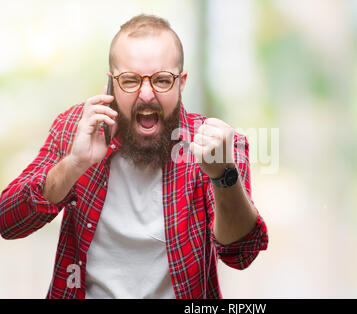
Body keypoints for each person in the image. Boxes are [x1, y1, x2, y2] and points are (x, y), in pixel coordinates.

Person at [0, 14, 268, 299]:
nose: (147, 94)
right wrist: (74, 164)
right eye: (130, 80)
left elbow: (240, 255)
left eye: (162, 80)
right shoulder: (75, 129)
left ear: (182, 83)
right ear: (111, 84)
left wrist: (223, 176)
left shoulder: (220, 146)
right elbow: (8, 222)